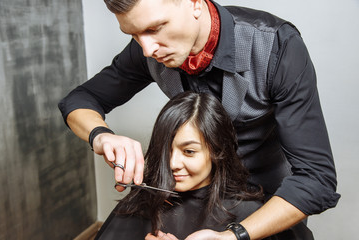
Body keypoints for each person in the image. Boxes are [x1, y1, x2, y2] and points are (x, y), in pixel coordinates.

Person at [58, 0, 340, 239]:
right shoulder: (150, 49)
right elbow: (79, 100)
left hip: (266, 204)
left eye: (155, 28)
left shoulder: (276, 45)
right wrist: (101, 135)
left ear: (194, 3)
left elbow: (317, 179)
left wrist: (234, 235)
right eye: (133, 35)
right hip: (193, 198)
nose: (147, 50)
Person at [94, 91, 313, 240]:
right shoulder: (141, 202)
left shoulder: (250, 214)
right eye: (166, 149)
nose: (173, 163)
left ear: (217, 152)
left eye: (189, 151)